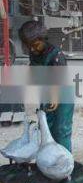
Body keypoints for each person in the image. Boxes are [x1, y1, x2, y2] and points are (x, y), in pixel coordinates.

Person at [19, 20, 74, 152]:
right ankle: (48, 158)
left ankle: (64, 161)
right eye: (29, 46)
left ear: (43, 39)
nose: (32, 49)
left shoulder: (56, 55)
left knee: (61, 128)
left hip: (62, 93)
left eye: (35, 45)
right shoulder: (34, 53)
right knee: (45, 125)